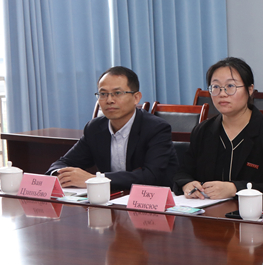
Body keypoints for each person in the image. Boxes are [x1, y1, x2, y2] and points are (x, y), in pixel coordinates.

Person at [174, 58, 263, 199]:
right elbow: (182, 172)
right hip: (206, 209)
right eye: (216, 87)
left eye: (230, 86)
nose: (222, 93)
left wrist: (236, 188)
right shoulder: (202, 131)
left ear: (250, 90)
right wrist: (187, 184)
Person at [48, 66, 177, 193]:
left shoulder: (156, 128)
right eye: (103, 94)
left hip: (150, 200)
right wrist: (59, 174)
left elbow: (150, 176)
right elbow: (64, 162)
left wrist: (95, 180)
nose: (109, 100)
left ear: (136, 98)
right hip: (112, 198)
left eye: (117, 93)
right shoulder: (94, 128)